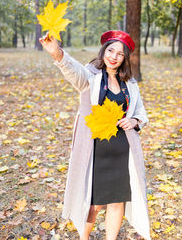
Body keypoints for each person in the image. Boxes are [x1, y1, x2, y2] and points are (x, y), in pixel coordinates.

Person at [39, 30, 151, 240]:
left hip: (122, 153)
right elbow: (73, 71)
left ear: (125, 58)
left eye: (120, 54)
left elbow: (141, 114)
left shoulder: (130, 84)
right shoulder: (91, 76)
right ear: (103, 51)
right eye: (111, 50)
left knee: (117, 201)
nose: (114, 56)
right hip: (97, 152)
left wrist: (134, 121)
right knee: (95, 204)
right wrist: (57, 54)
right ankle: (84, 238)